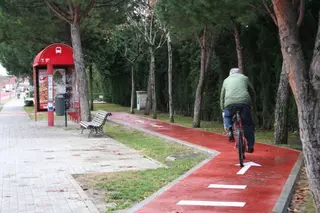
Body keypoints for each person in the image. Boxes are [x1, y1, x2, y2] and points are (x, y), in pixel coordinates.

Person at [220, 68, 256, 153]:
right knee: (248, 125)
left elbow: (222, 96)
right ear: (240, 73)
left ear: (230, 74)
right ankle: (250, 146)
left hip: (229, 103)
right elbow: (252, 92)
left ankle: (229, 129)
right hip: (244, 103)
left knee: (227, 116)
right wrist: (252, 104)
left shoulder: (226, 80)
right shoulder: (245, 78)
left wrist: (223, 109)